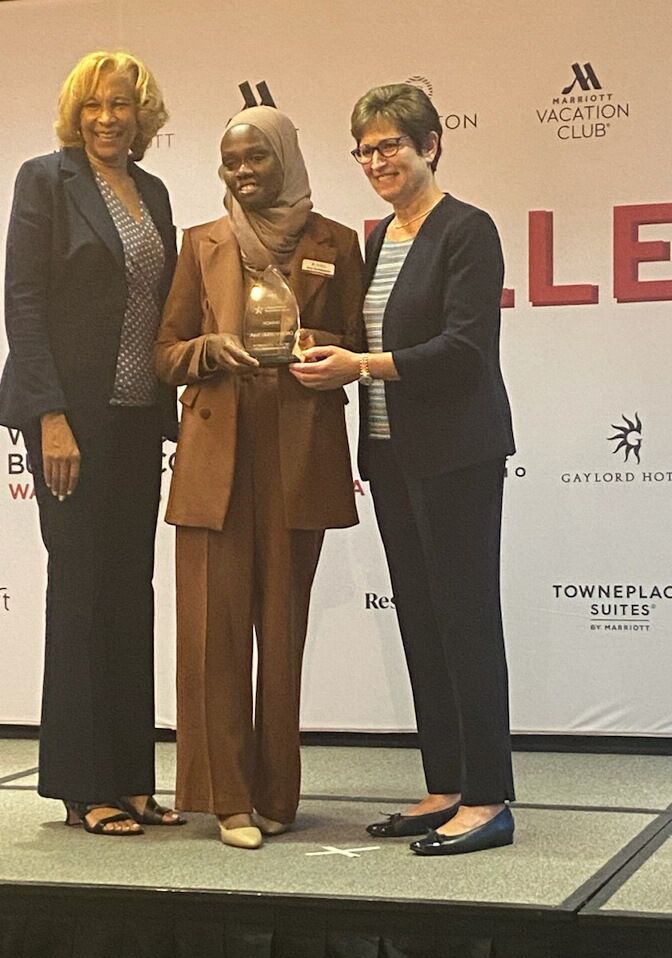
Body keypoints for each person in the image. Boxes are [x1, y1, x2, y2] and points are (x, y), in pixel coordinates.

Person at [291, 83, 516, 856]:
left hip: (457, 453)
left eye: (391, 145)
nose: (377, 161)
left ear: (430, 145)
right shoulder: (378, 237)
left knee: (465, 619)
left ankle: (488, 796)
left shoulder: (467, 229)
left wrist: (361, 363)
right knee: (420, 620)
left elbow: (464, 349)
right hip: (389, 455)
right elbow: (355, 337)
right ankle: (445, 783)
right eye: (366, 149)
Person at [155, 105, 363, 849]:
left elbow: (362, 345)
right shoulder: (200, 244)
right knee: (212, 635)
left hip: (298, 456)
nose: (243, 172)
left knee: (282, 632)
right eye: (231, 160)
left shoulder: (335, 241)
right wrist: (209, 350)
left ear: (286, 158)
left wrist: (317, 344)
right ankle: (227, 800)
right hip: (216, 458)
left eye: (257, 158)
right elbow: (166, 353)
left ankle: (278, 793)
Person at [0, 51, 185, 836]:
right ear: (76, 113)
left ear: (144, 116)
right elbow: (25, 303)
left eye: (123, 105)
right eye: (95, 105)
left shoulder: (156, 192)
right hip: (72, 421)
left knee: (129, 591)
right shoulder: (46, 181)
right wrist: (50, 417)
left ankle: (132, 778)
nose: (108, 118)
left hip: (139, 420)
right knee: (79, 592)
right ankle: (83, 785)